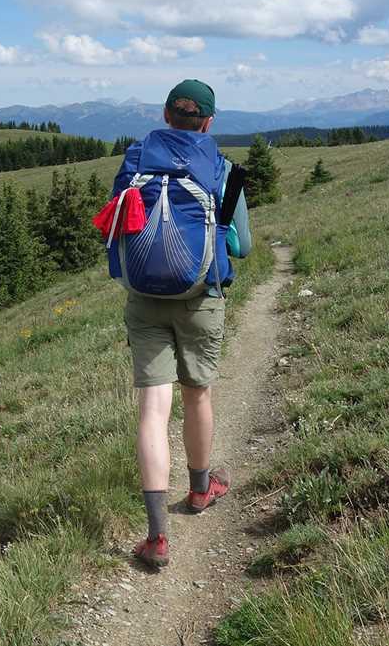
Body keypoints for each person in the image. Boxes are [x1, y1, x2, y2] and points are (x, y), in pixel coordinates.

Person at [110, 79, 251, 569]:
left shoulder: (134, 160)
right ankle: (199, 490)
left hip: (144, 299)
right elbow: (241, 246)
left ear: (165, 115)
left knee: (153, 408)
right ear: (209, 122)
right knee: (197, 395)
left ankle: (157, 537)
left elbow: (118, 225)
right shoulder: (225, 170)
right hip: (201, 298)